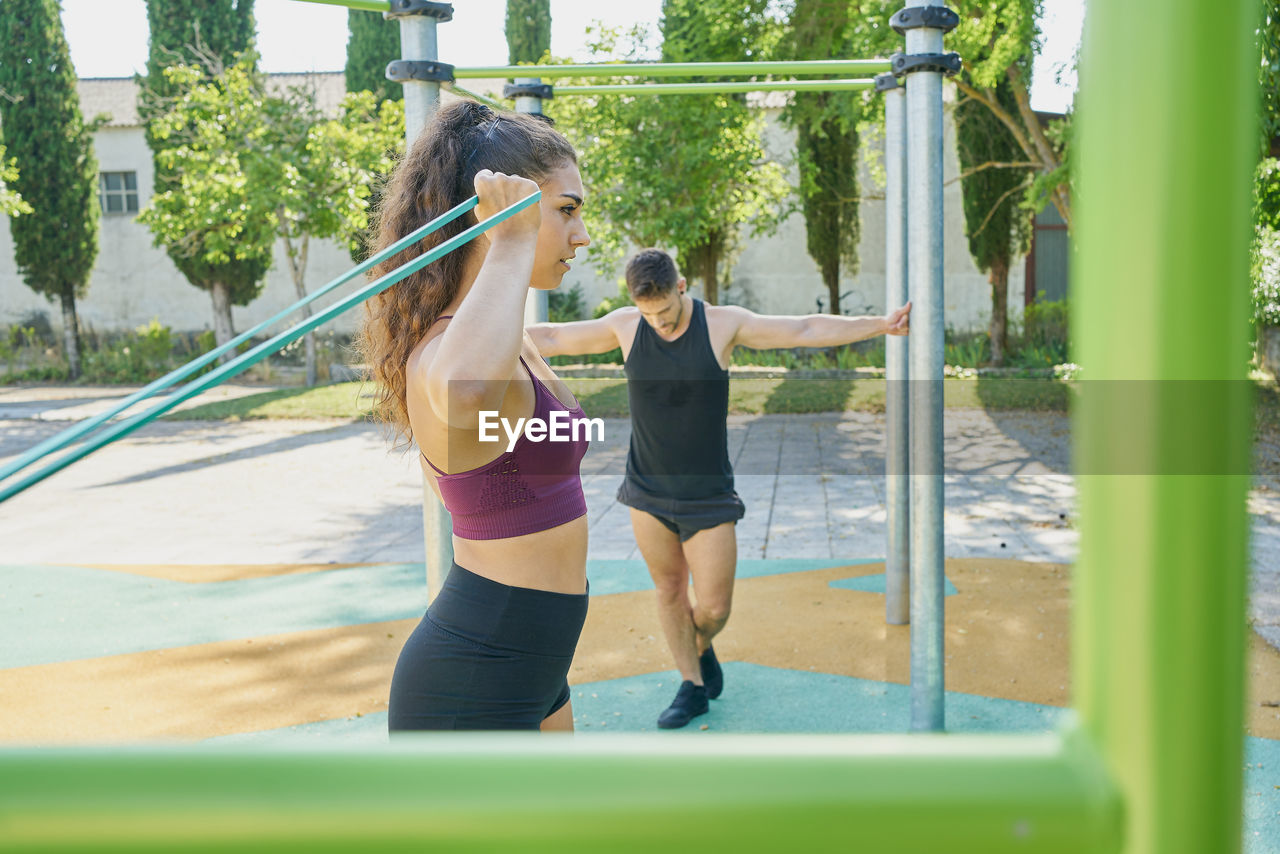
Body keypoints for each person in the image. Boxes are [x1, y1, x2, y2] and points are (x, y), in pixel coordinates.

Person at [528, 249, 910, 728]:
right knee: (669, 590)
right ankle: (691, 685)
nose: (660, 324)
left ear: (682, 287)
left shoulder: (722, 325)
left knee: (713, 607)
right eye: (650, 315)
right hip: (646, 491)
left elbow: (804, 329)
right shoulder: (627, 326)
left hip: (708, 495)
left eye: (665, 312)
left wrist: (881, 325)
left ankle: (699, 645)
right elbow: (551, 337)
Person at [358, 101, 592, 731]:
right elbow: (466, 396)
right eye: (566, 210)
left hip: (537, 663)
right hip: (473, 678)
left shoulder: (505, 338)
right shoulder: (442, 354)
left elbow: (502, 443)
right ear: (499, 211)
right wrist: (512, 240)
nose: (581, 235)